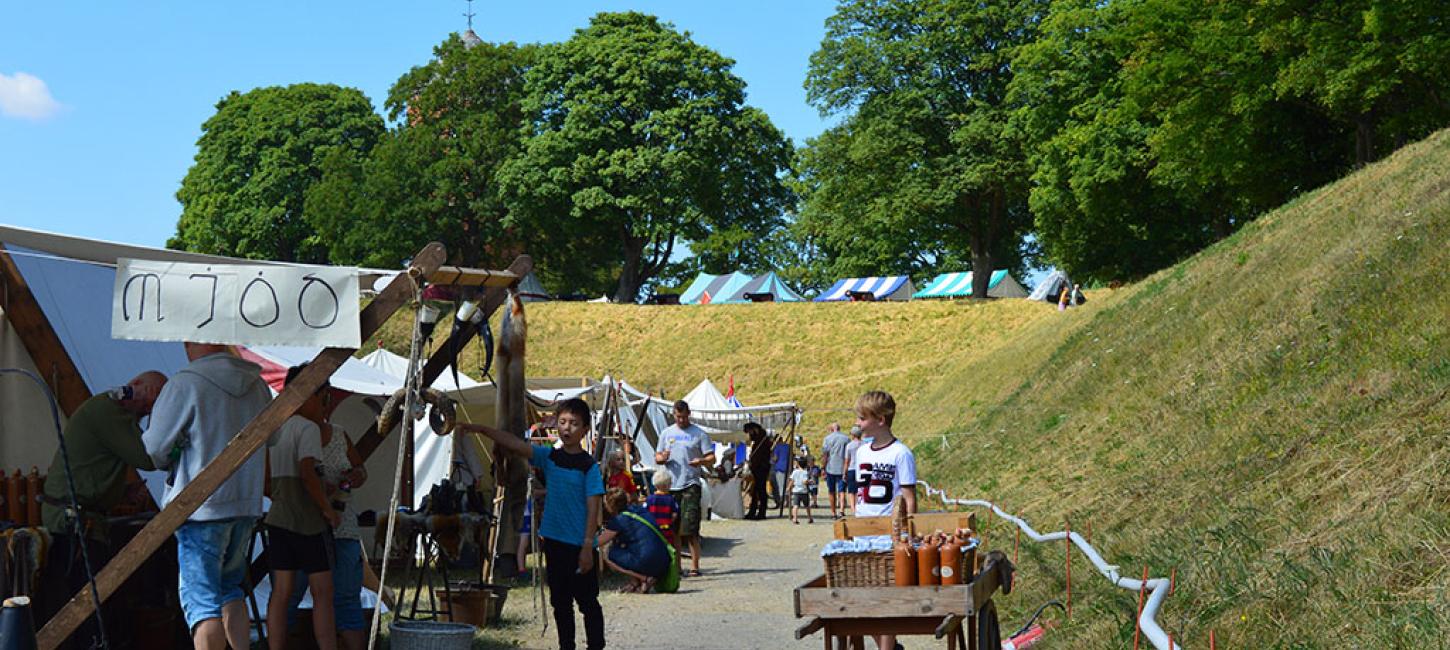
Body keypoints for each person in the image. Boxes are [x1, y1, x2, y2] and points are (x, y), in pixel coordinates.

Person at [144, 343, 272, 650]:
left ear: (192, 343)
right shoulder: (258, 386)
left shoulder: (186, 383)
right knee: (231, 589)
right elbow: (274, 437)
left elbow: (154, 449)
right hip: (245, 502)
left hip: (200, 509)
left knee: (202, 603)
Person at [458, 398, 605, 650]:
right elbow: (516, 444)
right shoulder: (549, 457)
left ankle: (596, 646)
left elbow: (594, 508)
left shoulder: (589, 467)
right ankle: (566, 646)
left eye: (573, 423)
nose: (567, 428)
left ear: (585, 429)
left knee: (588, 602)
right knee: (560, 602)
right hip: (554, 542)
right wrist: (482, 429)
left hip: (580, 544)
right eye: (562, 422)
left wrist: (587, 546)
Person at [38, 370, 167, 649]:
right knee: (83, 604)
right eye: (148, 406)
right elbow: (146, 457)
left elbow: (91, 468)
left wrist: (120, 492)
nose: (146, 414)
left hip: (79, 518)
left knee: (89, 601)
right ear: (134, 388)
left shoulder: (112, 412)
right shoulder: (108, 411)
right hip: (70, 521)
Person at [284, 365, 369, 650]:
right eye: (320, 395)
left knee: (345, 596)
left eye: (324, 395)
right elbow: (273, 485)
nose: (325, 401)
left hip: (342, 527)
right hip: (301, 528)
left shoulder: (338, 434)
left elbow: (360, 468)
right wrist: (317, 495)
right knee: (289, 595)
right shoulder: (286, 434)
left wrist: (355, 477)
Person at [263, 366, 338, 650]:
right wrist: (327, 509)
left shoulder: (275, 427)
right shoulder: (307, 429)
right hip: (308, 523)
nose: (325, 403)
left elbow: (265, 482)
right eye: (323, 396)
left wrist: (283, 496)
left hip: (279, 519)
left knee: (281, 593)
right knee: (323, 592)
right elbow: (308, 472)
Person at [851, 390, 917, 650]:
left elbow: (909, 497)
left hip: (888, 534)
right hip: (862, 532)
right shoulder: (862, 452)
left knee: (886, 599)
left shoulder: (901, 453)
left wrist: (907, 532)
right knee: (865, 599)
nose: (857, 423)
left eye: (862, 418)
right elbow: (858, 491)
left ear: (880, 419)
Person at [653, 400, 714, 577]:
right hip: (671, 485)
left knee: (691, 527)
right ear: (674, 415)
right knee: (674, 528)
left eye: (684, 417)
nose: (681, 420)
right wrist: (662, 457)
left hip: (690, 484)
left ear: (689, 414)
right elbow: (657, 456)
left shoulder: (699, 434)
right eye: (678, 417)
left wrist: (701, 461)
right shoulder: (666, 433)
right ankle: (677, 566)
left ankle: (695, 566)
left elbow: (711, 458)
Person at [598, 488, 671, 593]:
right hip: (664, 560)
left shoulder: (619, 520)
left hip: (647, 561)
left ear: (610, 505)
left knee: (609, 553)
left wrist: (582, 540)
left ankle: (644, 578)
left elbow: (600, 541)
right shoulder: (640, 510)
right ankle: (636, 583)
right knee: (629, 546)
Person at [819, 423, 851, 519]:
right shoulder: (846, 439)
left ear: (832, 429)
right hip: (842, 467)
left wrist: (823, 467)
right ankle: (841, 510)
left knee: (831, 491)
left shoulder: (827, 439)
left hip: (831, 467)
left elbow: (825, 454)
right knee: (842, 491)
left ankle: (833, 512)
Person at [743, 423, 773, 520]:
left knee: (761, 490)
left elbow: (762, 456)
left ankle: (761, 512)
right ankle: (753, 511)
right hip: (757, 468)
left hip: (761, 468)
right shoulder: (758, 441)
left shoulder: (763, 440)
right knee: (755, 490)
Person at [645, 472, 679, 549]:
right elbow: (674, 514)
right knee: (667, 548)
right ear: (667, 485)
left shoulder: (650, 499)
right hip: (667, 529)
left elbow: (645, 512)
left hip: (653, 529)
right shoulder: (671, 499)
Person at [842, 425, 864, 514]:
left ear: (853, 435)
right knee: (860, 489)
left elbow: (847, 460)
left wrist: (844, 472)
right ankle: (860, 506)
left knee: (851, 491)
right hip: (862, 469)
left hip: (851, 469)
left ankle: (853, 509)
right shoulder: (864, 444)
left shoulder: (849, 446)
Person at [788, 457, 814, 524]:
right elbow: (804, 482)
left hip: (796, 491)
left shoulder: (795, 472)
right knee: (807, 506)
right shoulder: (805, 472)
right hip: (804, 491)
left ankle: (795, 518)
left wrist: (788, 487)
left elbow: (792, 481)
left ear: (798, 464)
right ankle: (810, 518)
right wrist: (810, 481)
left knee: (795, 506)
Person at [770, 436, 791, 513]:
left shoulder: (777, 447)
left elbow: (775, 458)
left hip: (779, 468)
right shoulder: (788, 447)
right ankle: (787, 501)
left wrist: (771, 459)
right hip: (788, 468)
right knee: (787, 485)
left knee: (781, 486)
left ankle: (783, 502)